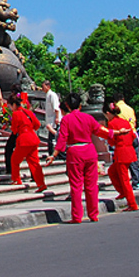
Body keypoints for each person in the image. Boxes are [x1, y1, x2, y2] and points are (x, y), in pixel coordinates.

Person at [51, 92, 104, 223]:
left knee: (76, 186)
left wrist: (54, 155)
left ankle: (77, 216)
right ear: (80, 105)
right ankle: (93, 214)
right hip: (89, 151)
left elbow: (62, 138)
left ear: (67, 106)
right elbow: (100, 130)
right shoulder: (88, 117)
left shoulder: (67, 120)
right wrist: (116, 133)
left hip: (75, 152)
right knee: (91, 185)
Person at [6, 92, 46, 191]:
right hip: (33, 137)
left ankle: (16, 179)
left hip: (24, 139)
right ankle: (41, 184)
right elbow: (37, 124)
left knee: (14, 160)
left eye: (11, 106)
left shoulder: (16, 114)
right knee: (34, 163)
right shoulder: (28, 112)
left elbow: (14, 130)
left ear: (14, 105)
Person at [103, 102, 138, 211]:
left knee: (124, 179)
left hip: (121, 152)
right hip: (129, 150)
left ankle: (132, 203)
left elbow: (112, 140)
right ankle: (122, 192)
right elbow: (132, 136)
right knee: (112, 171)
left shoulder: (112, 124)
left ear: (108, 113)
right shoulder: (125, 122)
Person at [113, 93, 139, 190]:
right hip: (133, 134)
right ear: (123, 99)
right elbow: (134, 122)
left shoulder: (117, 110)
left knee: (122, 161)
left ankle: (123, 183)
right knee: (134, 160)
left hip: (123, 136)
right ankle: (136, 182)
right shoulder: (130, 109)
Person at [42, 80, 62, 157]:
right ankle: (51, 153)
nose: (43, 89)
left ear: (48, 86)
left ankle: (54, 154)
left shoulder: (52, 95)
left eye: (44, 87)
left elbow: (56, 107)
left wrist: (57, 118)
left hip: (54, 120)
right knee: (51, 138)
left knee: (53, 138)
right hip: (50, 119)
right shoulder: (47, 95)